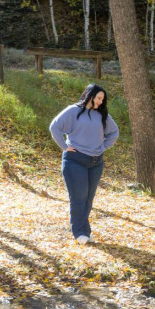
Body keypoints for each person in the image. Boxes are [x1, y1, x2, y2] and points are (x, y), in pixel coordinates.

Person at [50, 84, 119, 244]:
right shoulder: (73, 111)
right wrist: (65, 146)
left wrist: (103, 146)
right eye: (99, 98)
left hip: (96, 162)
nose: (101, 102)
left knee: (88, 199)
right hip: (75, 161)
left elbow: (114, 132)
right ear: (90, 95)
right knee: (78, 198)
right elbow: (55, 127)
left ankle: (84, 232)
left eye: (103, 99)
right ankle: (79, 232)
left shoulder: (101, 115)